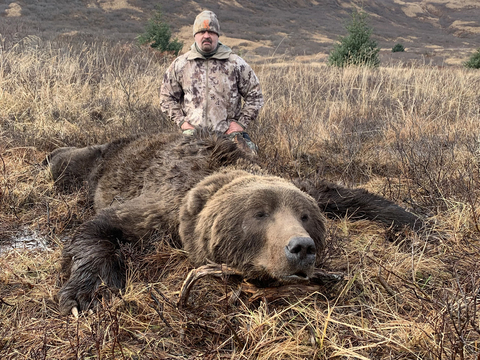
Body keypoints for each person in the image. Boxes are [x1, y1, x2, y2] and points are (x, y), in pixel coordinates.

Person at [160, 10, 264, 154]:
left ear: (217, 35)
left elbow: (255, 96)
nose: (206, 36)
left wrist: (240, 123)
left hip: (227, 135)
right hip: (193, 135)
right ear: (195, 35)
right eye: (202, 32)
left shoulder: (235, 63)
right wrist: (182, 122)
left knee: (249, 159)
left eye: (211, 32)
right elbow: (166, 97)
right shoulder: (180, 64)